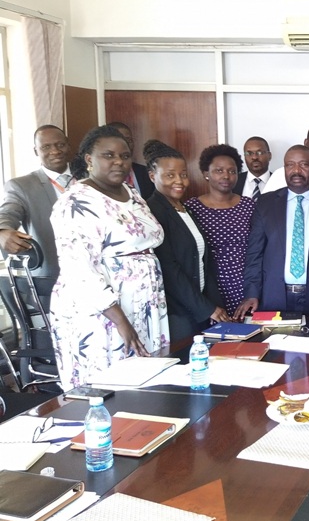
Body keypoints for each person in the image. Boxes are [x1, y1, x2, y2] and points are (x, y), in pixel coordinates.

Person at [49, 125, 169, 389]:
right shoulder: (76, 203)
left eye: (125, 156)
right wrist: (120, 320)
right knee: (106, 386)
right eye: (108, 155)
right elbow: (79, 270)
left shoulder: (132, 194)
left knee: (144, 380)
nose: (119, 162)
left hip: (142, 303)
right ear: (89, 159)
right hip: (102, 311)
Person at [144, 140, 229, 342]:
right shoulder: (152, 211)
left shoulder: (185, 209)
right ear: (152, 176)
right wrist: (207, 308)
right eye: (170, 175)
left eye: (183, 175)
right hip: (176, 311)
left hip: (196, 307)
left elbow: (201, 261)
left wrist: (212, 305)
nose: (179, 181)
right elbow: (170, 269)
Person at [234, 145, 309, 319]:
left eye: (304, 165)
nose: (296, 170)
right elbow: (254, 254)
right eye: (290, 165)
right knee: (275, 345)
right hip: (274, 296)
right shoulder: (266, 203)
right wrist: (252, 293)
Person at [0, 125, 73, 299]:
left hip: (100, 275)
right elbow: (8, 212)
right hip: (53, 281)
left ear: (68, 145)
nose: (55, 151)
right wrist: (2, 231)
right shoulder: (22, 186)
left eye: (60, 144)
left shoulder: (89, 177)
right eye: (46, 147)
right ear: (36, 151)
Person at [185, 145, 255, 315]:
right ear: (205, 173)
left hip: (246, 286)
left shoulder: (249, 206)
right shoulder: (192, 208)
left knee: (250, 336)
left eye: (232, 171)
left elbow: (258, 249)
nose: (226, 176)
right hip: (210, 287)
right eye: (219, 170)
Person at [108, 121, 155, 199]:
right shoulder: (103, 176)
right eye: (120, 140)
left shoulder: (146, 172)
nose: (125, 145)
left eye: (128, 140)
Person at [235, 136, 273, 201]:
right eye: (249, 153)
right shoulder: (234, 181)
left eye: (259, 153)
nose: (254, 157)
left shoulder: (280, 182)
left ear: (269, 156)